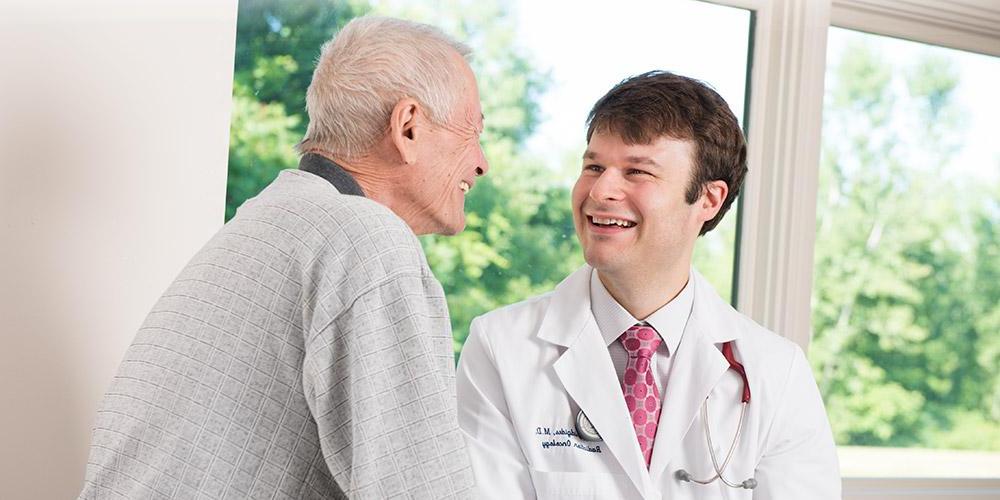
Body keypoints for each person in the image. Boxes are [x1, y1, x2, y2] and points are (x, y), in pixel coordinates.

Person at [80, 16, 486, 499]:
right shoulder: (365, 239)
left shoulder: (263, 226)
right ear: (408, 127)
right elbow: (422, 491)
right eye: (472, 132)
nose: (481, 161)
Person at [456, 71, 840, 499]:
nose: (600, 190)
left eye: (637, 171)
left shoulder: (775, 371)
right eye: (594, 166)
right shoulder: (500, 347)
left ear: (708, 200)